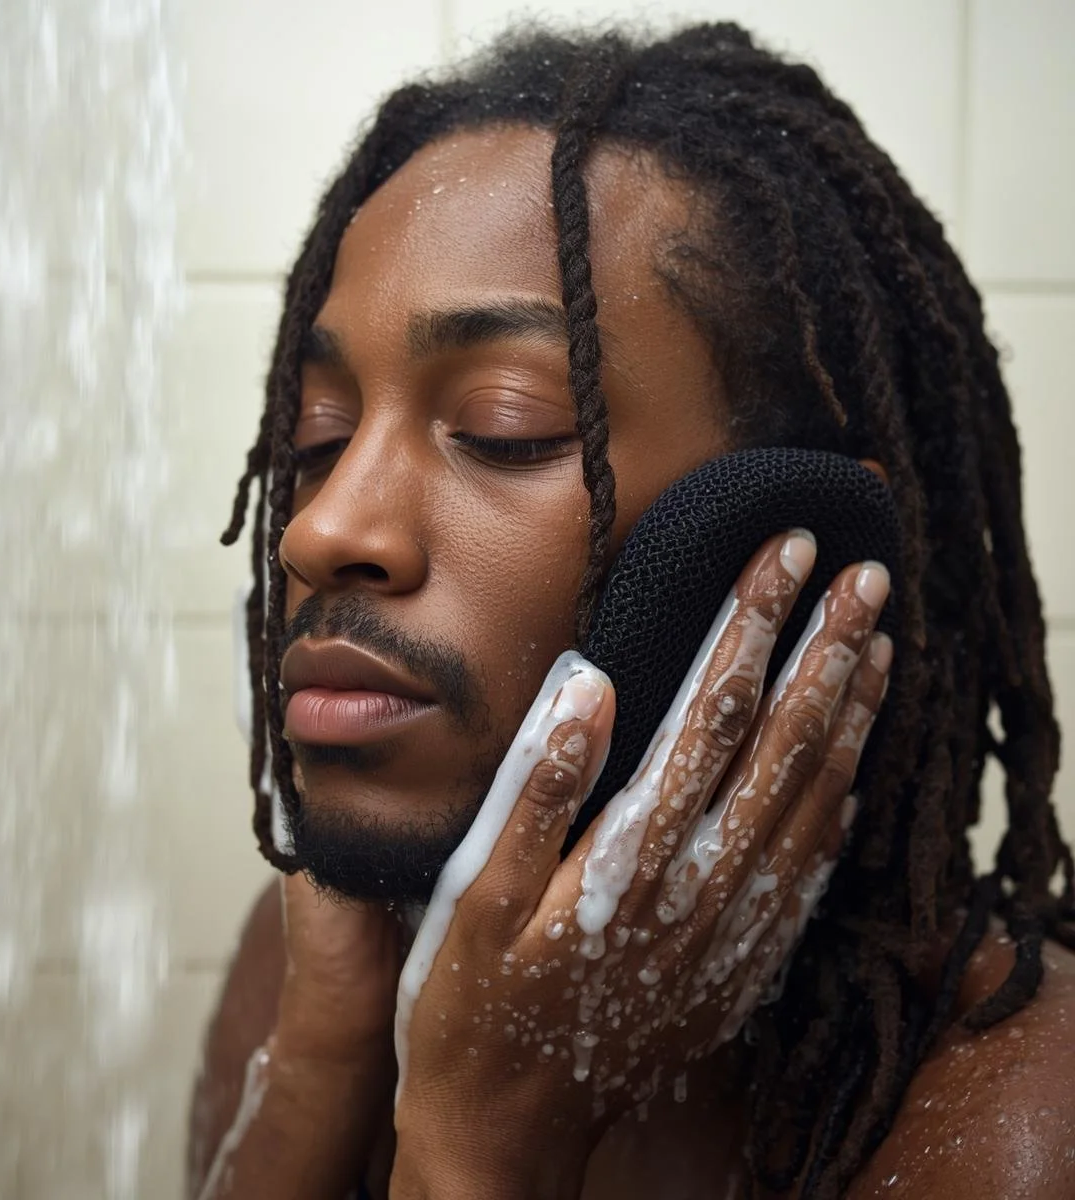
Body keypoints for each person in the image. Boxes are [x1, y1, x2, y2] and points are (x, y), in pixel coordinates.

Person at [187, 23, 1075, 1200]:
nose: (321, 530)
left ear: (787, 541)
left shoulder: (1011, 1114)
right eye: (317, 438)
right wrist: (318, 1064)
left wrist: (476, 1146)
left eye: (507, 426)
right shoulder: (313, 972)